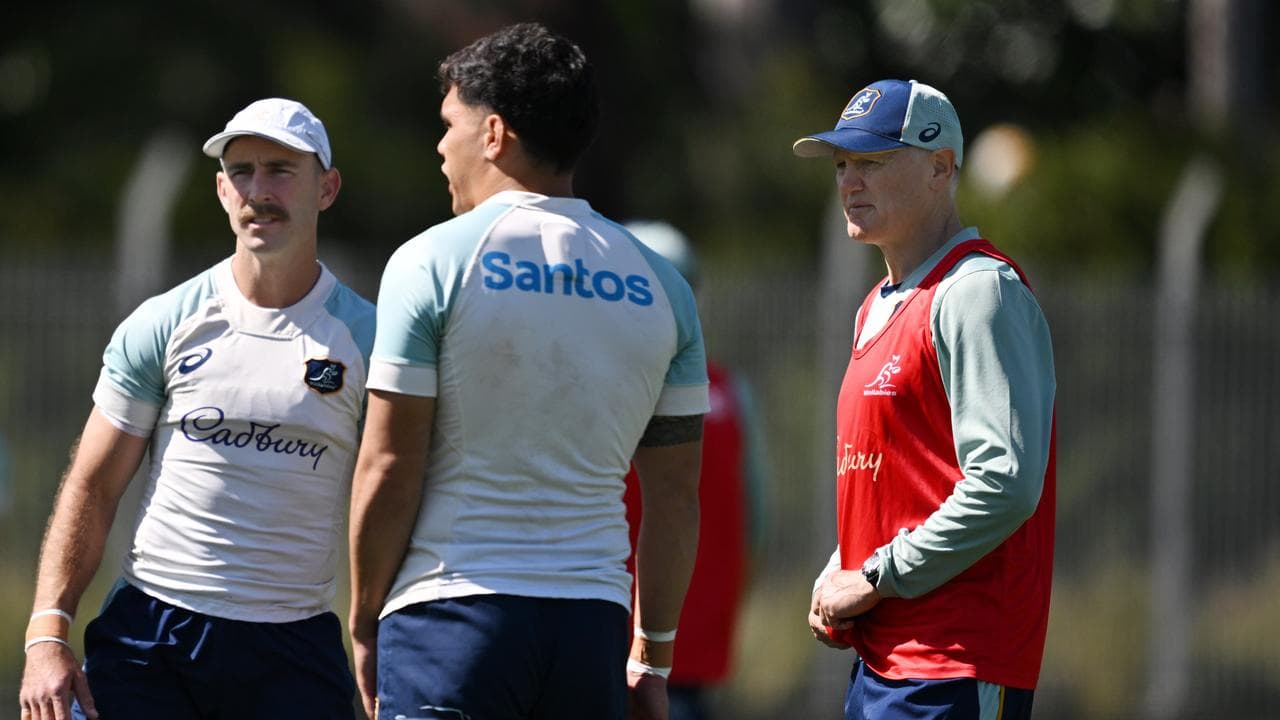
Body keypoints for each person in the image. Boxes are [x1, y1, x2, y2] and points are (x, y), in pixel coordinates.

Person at [347, 22, 708, 720]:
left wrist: (364, 618)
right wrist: (652, 658)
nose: (439, 146)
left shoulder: (431, 260)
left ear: (493, 134)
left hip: (450, 617)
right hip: (591, 628)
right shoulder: (663, 285)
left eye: (449, 124)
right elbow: (675, 498)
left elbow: (388, 463)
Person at [18, 98, 373, 720]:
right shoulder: (164, 321)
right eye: (242, 171)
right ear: (220, 189)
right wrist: (47, 634)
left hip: (293, 641)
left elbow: (398, 491)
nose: (258, 190)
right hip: (151, 633)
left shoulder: (371, 339)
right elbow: (94, 484)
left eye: (280, 170)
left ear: (328, 188)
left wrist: (377, 629)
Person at [792, 79, 1057, 720]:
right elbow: (898, 485)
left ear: (941, 166)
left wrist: (876, 576)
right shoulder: (877, 306)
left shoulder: (975, 293)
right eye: (842, 164)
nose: (850, 181)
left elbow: (1004, 483)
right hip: (886, 662)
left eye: (874, 162)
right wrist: (841, 572)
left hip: (954, 665)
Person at [621, 221, 765, 720]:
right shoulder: (731, 391)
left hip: (623, 639)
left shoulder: (614, 382)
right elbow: (757, 521)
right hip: (697, 640)